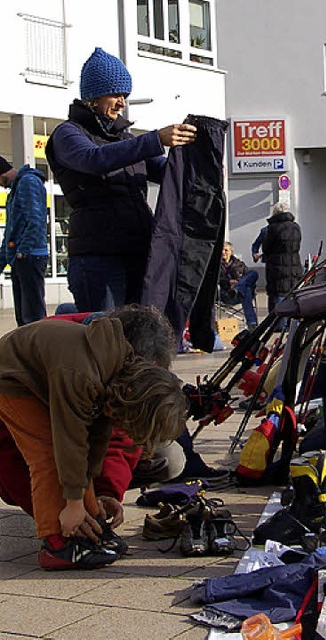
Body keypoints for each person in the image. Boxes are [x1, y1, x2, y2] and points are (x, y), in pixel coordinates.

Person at [0, 312, 187, 570]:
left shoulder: (118, 375)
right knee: (48, 455)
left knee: (77, 460)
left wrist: (98, 498)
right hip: (10, 381)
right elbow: (69, 441)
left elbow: (95, 442)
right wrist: (74, 505)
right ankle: (56, 544)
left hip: (39, 379)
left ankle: (90, 531)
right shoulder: (82, 375)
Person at [45, 47, 196, 312]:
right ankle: (67, 318)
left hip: (139, 252)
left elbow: (166, 172)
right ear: (93, 96)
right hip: (98, 258)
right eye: (115, 94)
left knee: (139, 337)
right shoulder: (67, 134)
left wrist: (195, 155)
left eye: (124, 95)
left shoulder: (126, 139)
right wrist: (154, 140)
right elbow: (94, 159)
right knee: (105, 336)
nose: (121, 102)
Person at [0, 157, 48, 325]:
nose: (0, 185)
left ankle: (37, 350)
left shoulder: (28, 182)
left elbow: (35, 220)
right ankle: (26, 349)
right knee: (24, 317)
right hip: (22, 257)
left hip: (30, 256)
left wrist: (22, 252)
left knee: (32, 316)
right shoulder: (15, 189)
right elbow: (11, 230)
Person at [262, 202, 302, 312]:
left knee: (278, 294)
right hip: (295, 264)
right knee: (293, 293)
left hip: (277, 266)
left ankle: (280, 324)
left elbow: (266, 247)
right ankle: (293, 324)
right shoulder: (296, 227)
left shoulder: (273, 228)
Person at [219, 241, 258, 328]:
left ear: (231, 252)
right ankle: (252, 324)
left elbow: (249, 278)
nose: (223, 252)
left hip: (239, 294)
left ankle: (237, 289)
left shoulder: (239, 264)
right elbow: (214, 280)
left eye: (226, 250)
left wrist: (238, 283)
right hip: (226, 294)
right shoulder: (215, 265)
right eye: (221, 250)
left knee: (253, 273)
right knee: (246, 290)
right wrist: (228, 282)